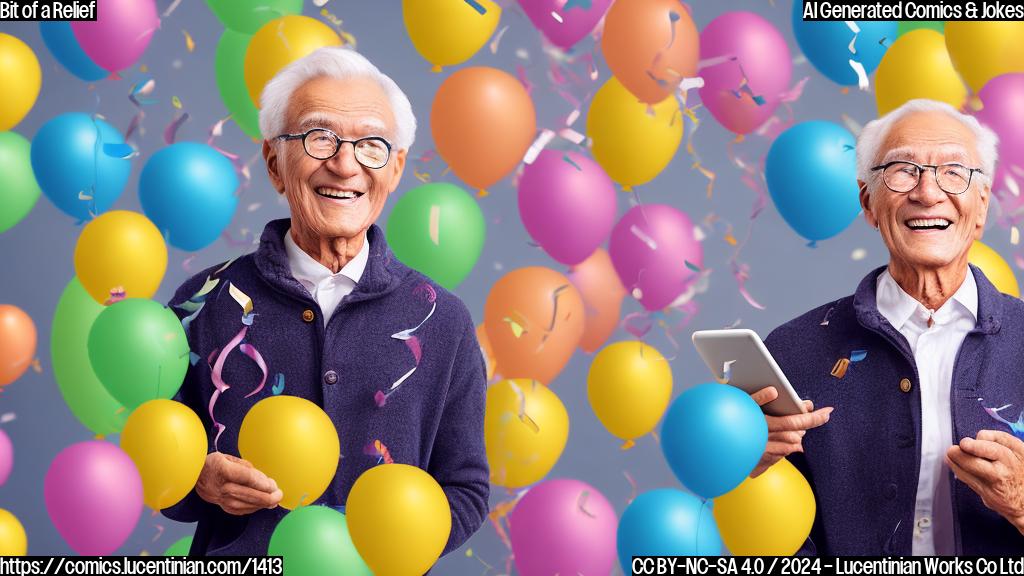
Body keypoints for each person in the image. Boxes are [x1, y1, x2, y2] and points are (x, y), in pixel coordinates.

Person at [160, 46, 490, 557]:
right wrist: (197, 477)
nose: (344, 165)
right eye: (320, 138)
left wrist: (398, 546)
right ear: (274, 161)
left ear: (396, 167)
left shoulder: (441, 319)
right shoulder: (201, 303)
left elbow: (466, 490)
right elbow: (166, 474)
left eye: (372, 145)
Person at [757, 99, 1024, 555]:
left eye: (954, 171)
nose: (928, 193)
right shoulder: (791, 351)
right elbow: (771, 540)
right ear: (869, 202)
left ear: (981, 206)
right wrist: (747, 474)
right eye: (903, 170)